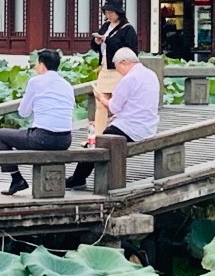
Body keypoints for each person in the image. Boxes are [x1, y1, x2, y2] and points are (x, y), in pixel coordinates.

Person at [67, 48, 158, 189]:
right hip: (149, 127)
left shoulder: (128, 79)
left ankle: (78, 179)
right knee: (102, 137)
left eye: (117, 68)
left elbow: (113, 107)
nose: (118, 72)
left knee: (93, 144)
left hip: (130, 128)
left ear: (124, 62)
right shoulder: (151, 75)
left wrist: (100, 97)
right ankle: (80, 178)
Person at [0, 48, 75, 196]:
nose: (35, 67)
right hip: (65, 139)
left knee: (0, 135)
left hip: (43, 138)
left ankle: (17, 178)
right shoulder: (67, 85)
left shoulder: (35, 81)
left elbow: (23, 112)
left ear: (42, 65)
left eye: (36, 64)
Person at [87, 0, 139, 132]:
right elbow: (97, 46)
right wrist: (97, 42)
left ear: (118, 13)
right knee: (100, 104)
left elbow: (129, 50)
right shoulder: (105, 26)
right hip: (105, 67)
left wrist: (108, 40)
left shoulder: (128, 29)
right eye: (106, 12)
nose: (108, 15)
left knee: (120, 104)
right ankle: (99, 135)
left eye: (111, 12)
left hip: (119, 70)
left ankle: (120, 132)